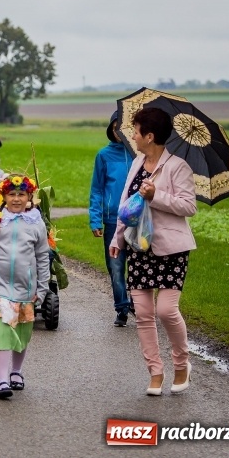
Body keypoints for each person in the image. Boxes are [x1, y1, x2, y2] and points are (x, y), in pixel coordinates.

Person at [109, 107, 196, 396]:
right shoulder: (136, 163)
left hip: (171, 249)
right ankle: (155, 372)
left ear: (150, 135)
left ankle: (181, 364)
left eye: (136, 131)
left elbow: (188, 207)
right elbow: (126, 204)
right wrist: (117, 238)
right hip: (139, 247)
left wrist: (156, 195)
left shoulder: (178, 167)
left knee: (166, 310)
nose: (132, 136)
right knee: (144, 313)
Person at [0, 174, 50, 400]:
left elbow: (43, 256)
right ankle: (1, 380)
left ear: (29, 197)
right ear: (4, 196)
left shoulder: (36, 222)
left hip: (27, 288)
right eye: (11, 194)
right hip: (1, 287)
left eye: (21, 194)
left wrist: (42, 288)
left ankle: (16, 371)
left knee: (21, 332)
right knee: (2, 332)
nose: (16, 199)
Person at [89, 112, 134, 327]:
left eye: (123, 127)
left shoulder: (139, 155)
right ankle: (122, 308)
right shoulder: (103, 155)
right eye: (115, 127)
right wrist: (95, 219)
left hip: (137, 220)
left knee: (137, 265)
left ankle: (137, 302)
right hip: (111, 221)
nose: (119, 132)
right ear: (111, 129)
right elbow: (97, 189)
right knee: (115, 266)